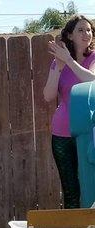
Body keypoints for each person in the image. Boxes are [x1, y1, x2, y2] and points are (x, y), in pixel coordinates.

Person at [43, 15, 95, 209]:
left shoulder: (93, 57)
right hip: (61, 134)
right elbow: (48, 96)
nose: (86, 34)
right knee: (71, 191)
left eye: (89, 30)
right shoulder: (59, 61)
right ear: (70, 35)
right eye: (81, 30)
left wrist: (69, 61)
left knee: (90, 188)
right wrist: (59, 66)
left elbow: (91, 81)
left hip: (89, 133)